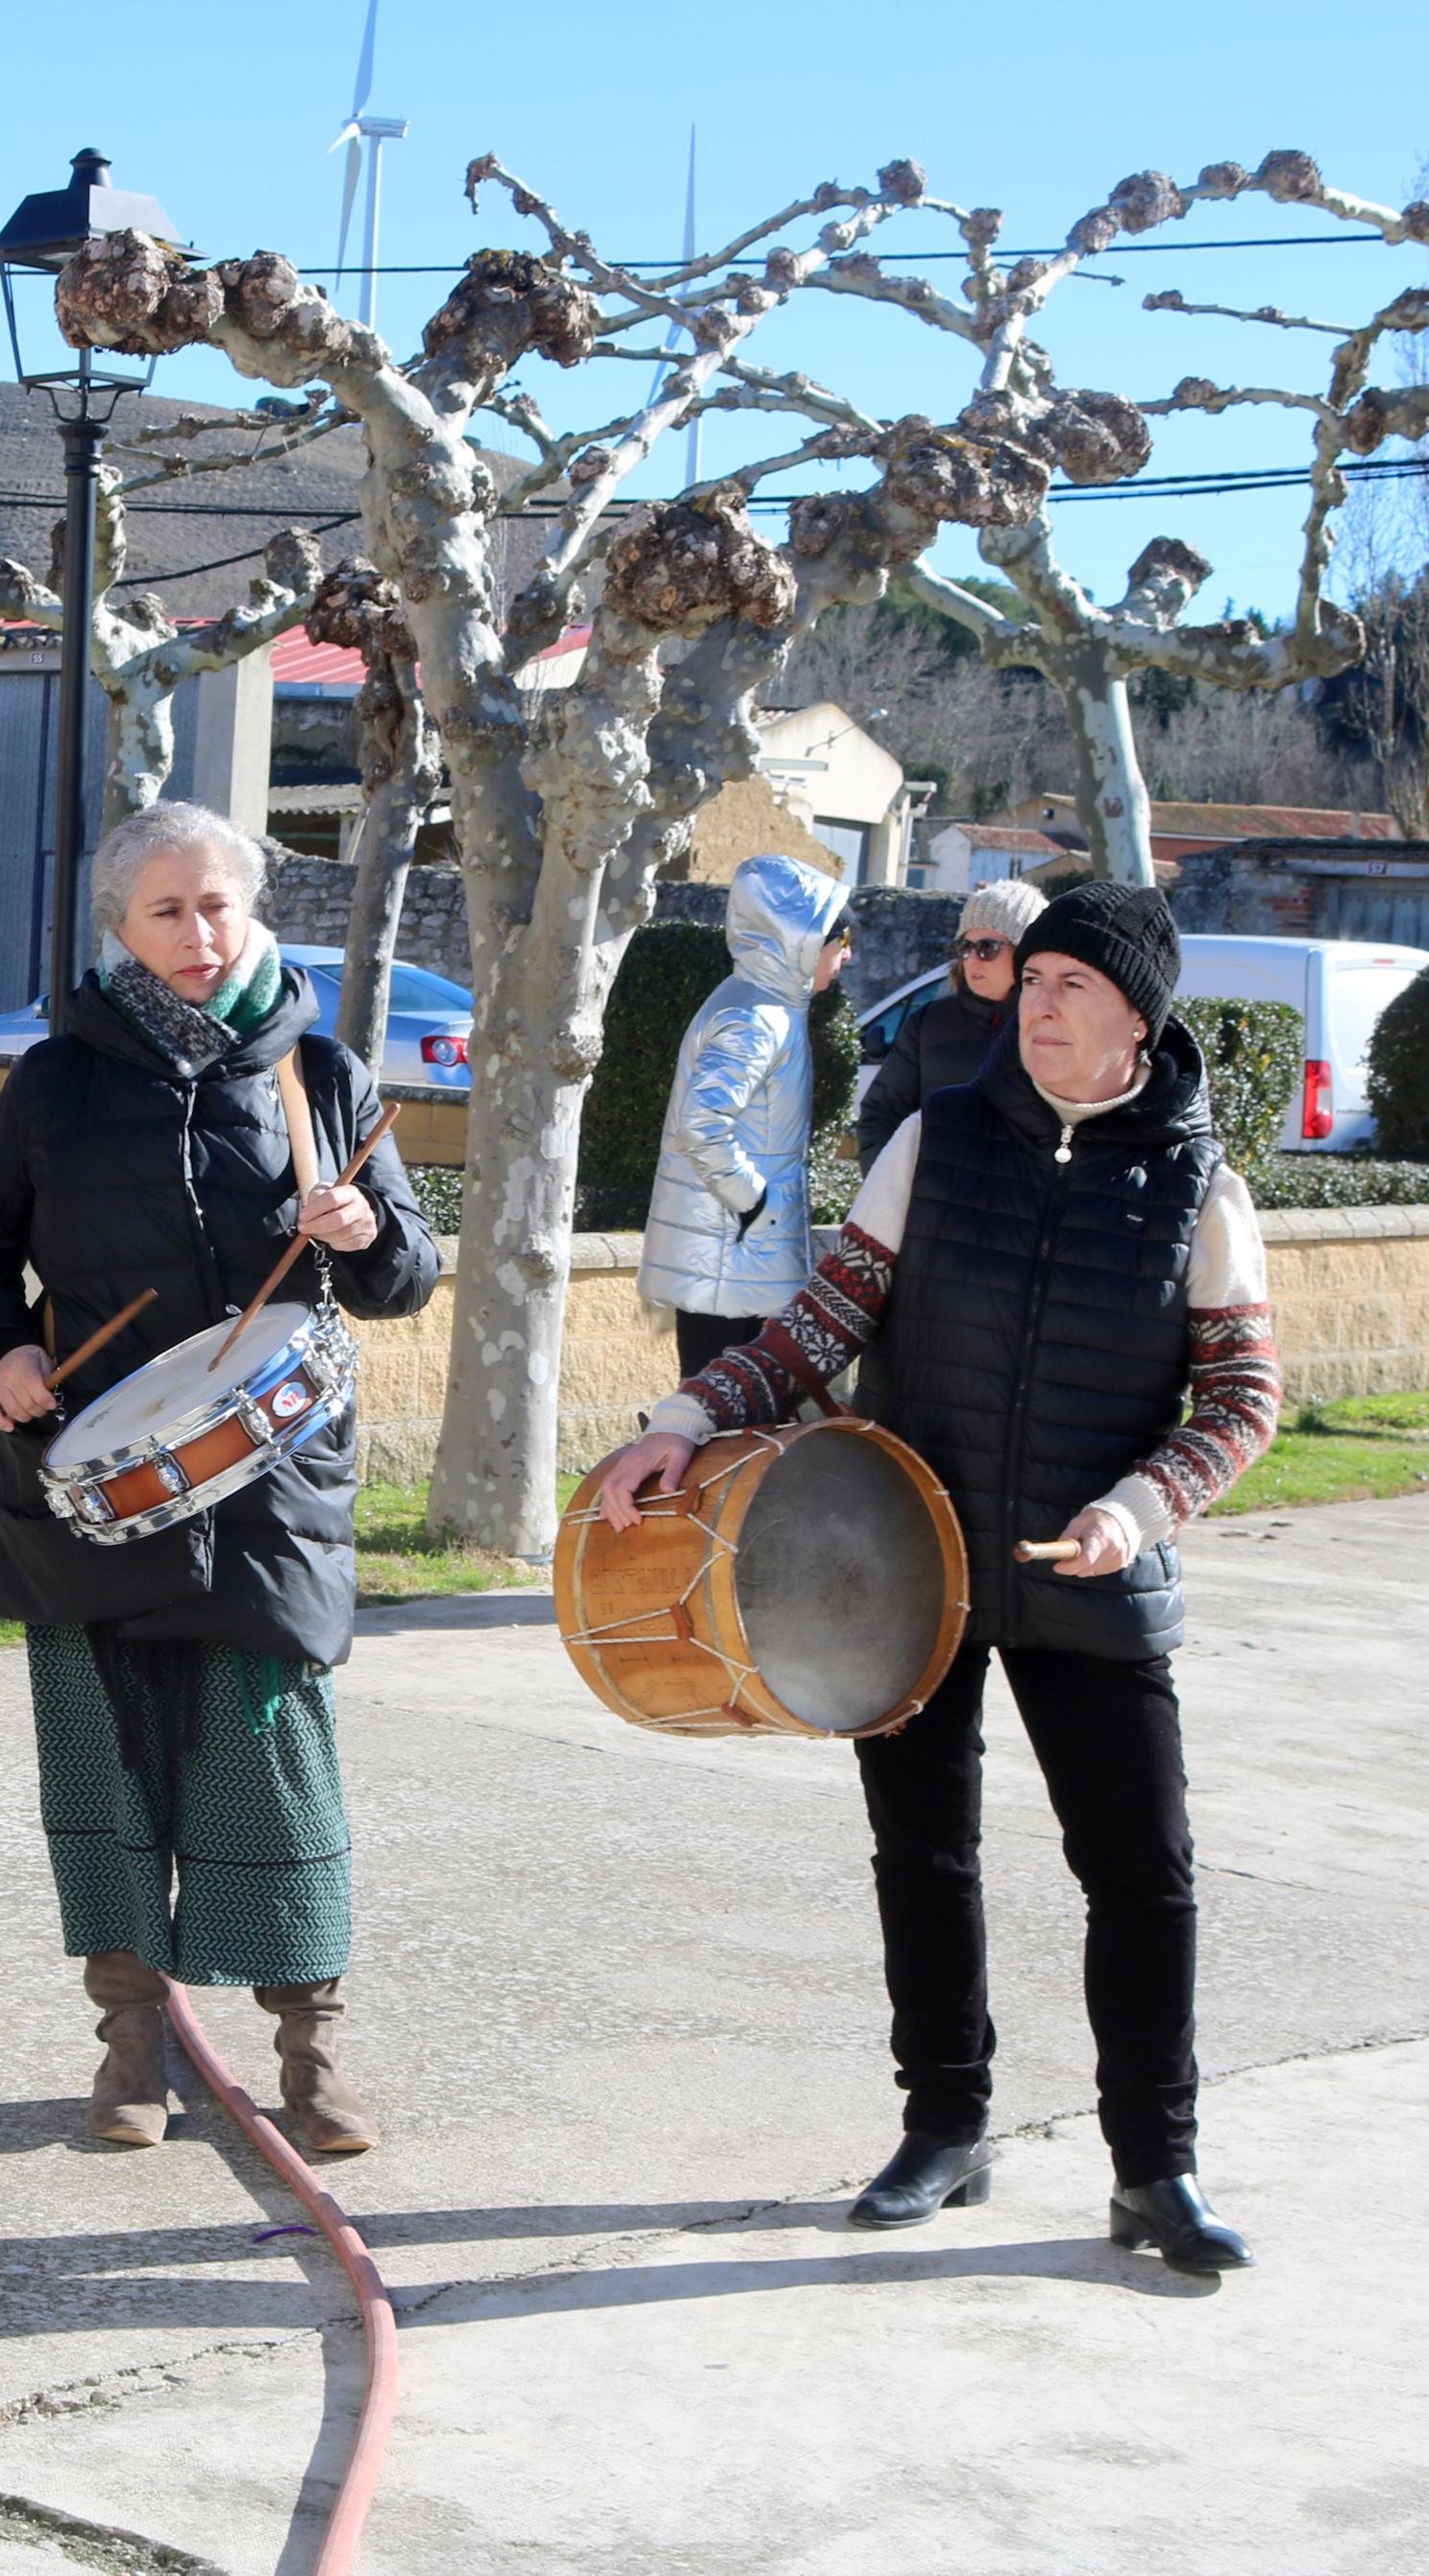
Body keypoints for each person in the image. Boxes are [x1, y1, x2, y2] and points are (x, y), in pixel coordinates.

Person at [593, 880, 1281, 2276]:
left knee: (1141, 1874)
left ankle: (1154, 2166)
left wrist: (1139, 1510)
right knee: (922, 1851)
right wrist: (679, 1419)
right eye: (1026, 980)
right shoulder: (938, 1136)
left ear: (1134, 1013)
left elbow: (1241, 1395)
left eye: (1067, 985)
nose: (1034, 1003)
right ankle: (942, 2123)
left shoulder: (1200, 1182)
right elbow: (821, 1319)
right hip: (911, 1562)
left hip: (1090, 1574)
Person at [0, 804, 440, 2155]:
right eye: (166, 911)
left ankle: (309, 2049)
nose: (198, 935)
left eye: (217, 904)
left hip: (269, 1484)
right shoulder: (54, 1082)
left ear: (254, 907)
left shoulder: (320, 1074)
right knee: (107, 1763)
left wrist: (368, 1225)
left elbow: (404, 1277)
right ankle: (130, 2049)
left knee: (270, 1761)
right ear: (118, 929)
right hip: (86, 1477)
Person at [638, 854, 853, 1380]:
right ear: (802, 940)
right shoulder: (756, 1017)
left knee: (731, 1416)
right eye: (842, 942)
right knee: (721, 1424)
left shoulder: (764, 1006)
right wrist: (755, 1204)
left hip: (732, 1257)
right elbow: (702, 1123)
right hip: (729, 1257)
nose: (848, 957)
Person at [857, 877, 1044, 1163]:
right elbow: (880, 1115)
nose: (972, 960)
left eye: (987, 948)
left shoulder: (1055, 1026)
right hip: (932, 1201)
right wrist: (894, 1190)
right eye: (965, 947)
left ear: (1025, 952)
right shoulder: (928, 1022)